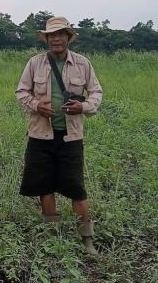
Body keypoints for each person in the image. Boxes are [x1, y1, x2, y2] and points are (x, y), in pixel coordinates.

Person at [15, 16, 103, 255]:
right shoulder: (34, 63)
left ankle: (87, 240)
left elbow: (96, 92)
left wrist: (82, 107)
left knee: (76, 188)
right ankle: (51, 237)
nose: (56, 39)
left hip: (70, 137)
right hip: (40, 136)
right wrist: (36, 105)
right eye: (51, 35)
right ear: (46, 39)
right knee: (45, 186)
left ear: (68, 37)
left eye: (60, 34)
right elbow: (21, 91)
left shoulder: (83, 64)